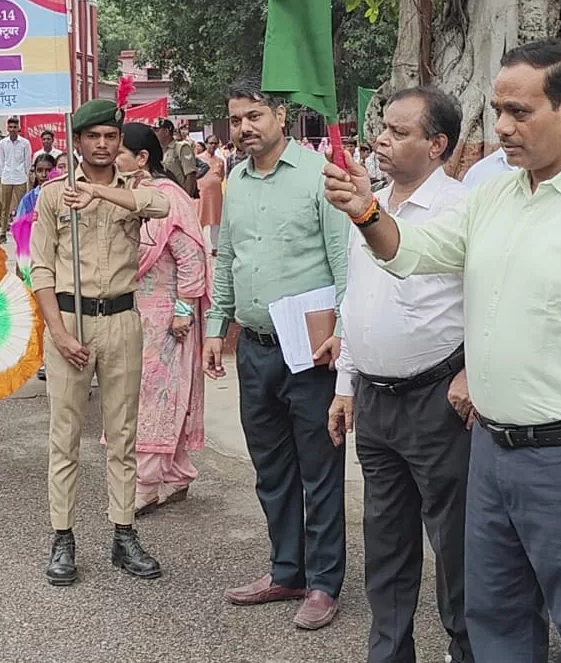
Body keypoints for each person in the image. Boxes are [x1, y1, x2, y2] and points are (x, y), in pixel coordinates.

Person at [322, 40, 561, 662]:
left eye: (520, 112)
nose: (503, 128)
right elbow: (412, 251)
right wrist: (366, 210)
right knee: (494, 619)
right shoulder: (492, 196)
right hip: (490, 452)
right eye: (498, 111)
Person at [325, 87, 473, 663]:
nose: (381, 140)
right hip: (376, 402)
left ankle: (468, 649)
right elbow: (356, 300)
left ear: (437, 145)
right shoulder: (369, 205)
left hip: (440, 400)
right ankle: (388, 653)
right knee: (385, 545)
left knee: (456, 545)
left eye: (399, 132)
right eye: (381, 128)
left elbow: (486, 304)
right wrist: (345, 385)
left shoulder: (462, 209)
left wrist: (472, 373)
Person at [205, 77, 349, 632]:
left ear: (281, 117)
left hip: (311, 350)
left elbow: (344, 266)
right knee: (271, 469)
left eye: (254, 116)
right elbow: (228, 257)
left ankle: (324, 582)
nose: (244, 128)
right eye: (236, 119)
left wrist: (346, 339)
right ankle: (286, 568)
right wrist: (217, 326)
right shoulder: (234, 180)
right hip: (257, 348)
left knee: (319, 469)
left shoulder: (320, 176)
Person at [30, 99, 169, 587]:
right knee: (64, 437)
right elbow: (40, 270)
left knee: (123, 435)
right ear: (78, 142)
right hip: (71, 321)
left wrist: (100, 195)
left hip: (121, 320)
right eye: (95, 137)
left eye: (112, 137)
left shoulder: (136, 192)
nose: (105, 145)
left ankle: (123, 533)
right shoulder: (52, 197)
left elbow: (163, 206)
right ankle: (63, 536)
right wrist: (59, 333)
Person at [113, 124, 210, 516]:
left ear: (142, 158)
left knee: (155, 400)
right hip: (135, 312)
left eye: (119, 149)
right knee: (147, 397)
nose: (110, 154)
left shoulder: (168, 199)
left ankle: (147, 484)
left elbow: (191, 259)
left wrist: (184, 312)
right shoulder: (126, 195)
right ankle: (176, 475)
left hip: (167, 318)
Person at [10, 154, 59, 284]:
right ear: (34, 172)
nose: (44, 175)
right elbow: (19, 231)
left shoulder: (60, 195)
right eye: (40, 170)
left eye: (48, 170)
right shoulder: (28, 199)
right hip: (33, 250)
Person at [0, 117, 34, 239]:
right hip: (7, 177)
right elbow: (2, 161)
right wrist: (5, 173)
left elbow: (27, 162)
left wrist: (24, 174)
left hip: (20, 178)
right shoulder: (3, 143)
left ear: (18, 128)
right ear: (7, 128)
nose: (13, 129)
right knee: (5, 207)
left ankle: (22, 231)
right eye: (11, 127)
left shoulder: (25, 143)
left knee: (22, 206)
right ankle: (3, 232)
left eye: (15, 127)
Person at [156, 119, 199, 198]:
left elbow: (190, 175)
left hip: (179, 195)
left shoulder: (181, 148)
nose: (154, 133)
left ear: (166, 132)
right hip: (165, 196)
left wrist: (187, 198)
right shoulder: (158, 151)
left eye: (157, 130)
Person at [197, 135, 225, 251]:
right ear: (206, 144)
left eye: (215, 143)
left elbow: (222, 177)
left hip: (216, 195)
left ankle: (215, 247)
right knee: (200, 219)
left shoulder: (220, 161)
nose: (213, 146)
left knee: (216, 221)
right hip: (201, 194)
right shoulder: (198, 159)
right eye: (210, 143)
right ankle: (199, 245)